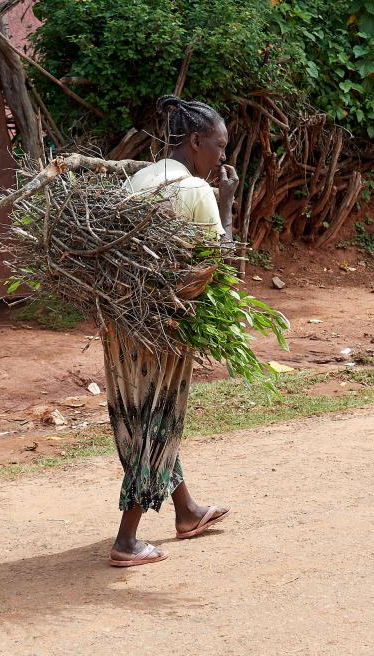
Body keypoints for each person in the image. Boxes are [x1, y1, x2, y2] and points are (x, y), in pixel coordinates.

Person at [104, 95, 237, 567]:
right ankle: (126, 541)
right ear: (196, 141)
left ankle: (187, 512)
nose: (222, 157)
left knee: (145, 414)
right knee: (156, 421)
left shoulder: (140, 178)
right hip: (166, 325)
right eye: (219, 147)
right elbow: (217, 261)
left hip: (123, 324)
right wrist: (227, 202)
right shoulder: (195, 191)